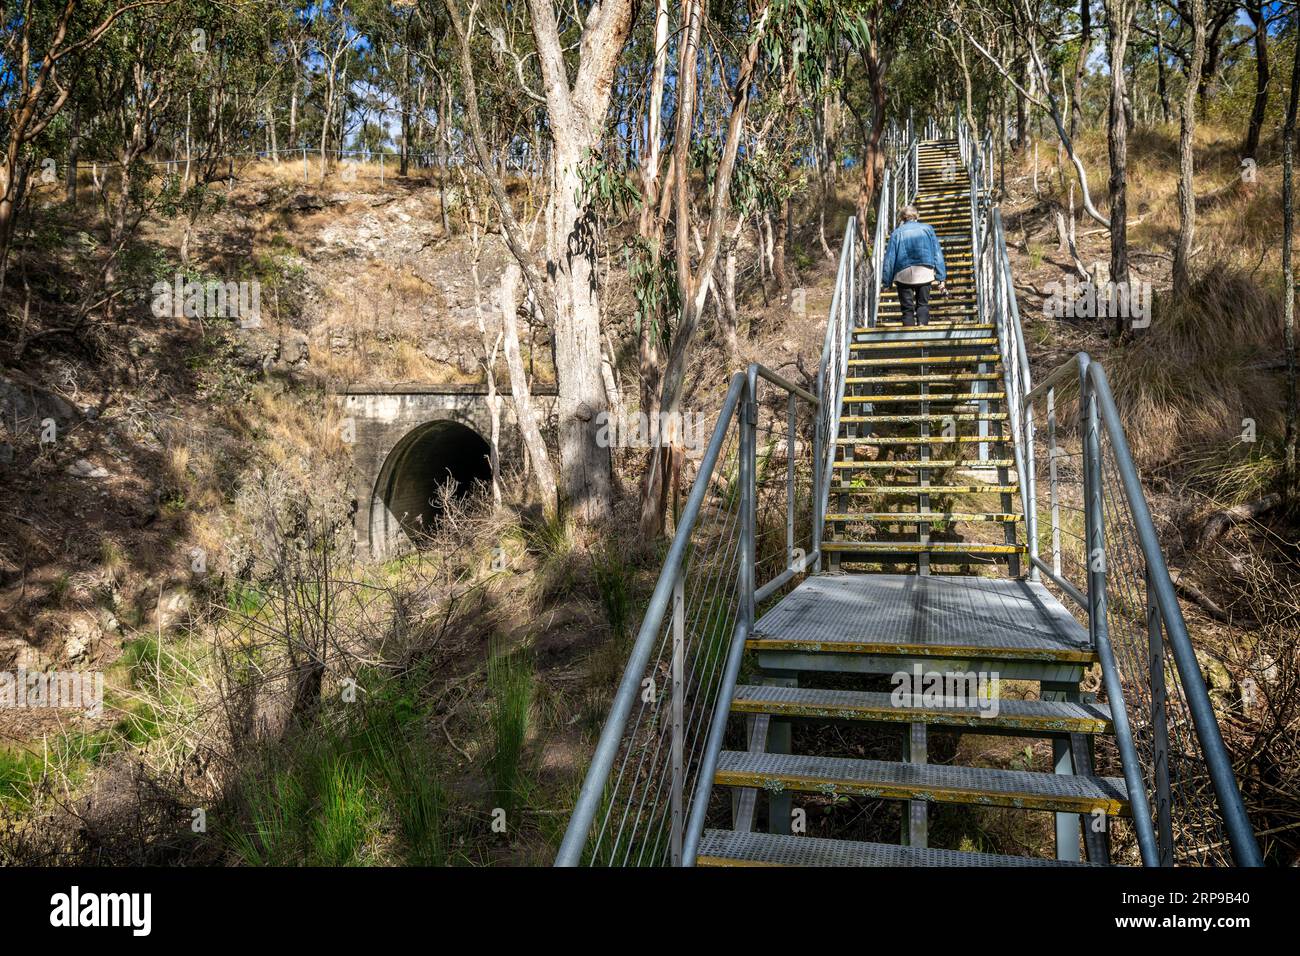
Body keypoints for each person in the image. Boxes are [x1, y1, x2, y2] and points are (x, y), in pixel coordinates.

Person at [880, 205, 946, 327]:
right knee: (923, 305)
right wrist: (941, 278)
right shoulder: (927, 229)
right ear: (917, 216)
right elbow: (937, 253)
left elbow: (889, 259)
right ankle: (922, 331)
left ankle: (909, 339)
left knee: (907, 309)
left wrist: (886, 282)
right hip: (925, 272)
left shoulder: (896, 233)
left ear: (902, 218)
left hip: (903, 274)